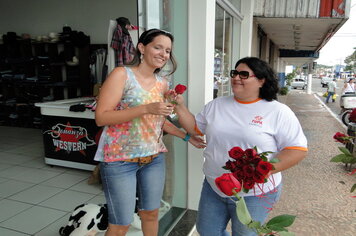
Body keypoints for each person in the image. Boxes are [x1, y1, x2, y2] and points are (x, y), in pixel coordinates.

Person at [174, 57, 308, 236]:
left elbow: (297, 149)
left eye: (244, 74)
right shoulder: (217, 105)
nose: (236, 77)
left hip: (254, 194)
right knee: (207, 231)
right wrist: (179, 106)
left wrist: (265, 170)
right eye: (234, 73)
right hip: (215, 186)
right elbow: (194, 129)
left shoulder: (278, 111)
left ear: (261, 80)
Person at [94, 28, 205, 236]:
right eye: (158, 47)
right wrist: (146, 108)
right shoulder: (122, 74)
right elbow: (101, 117)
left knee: (151, 214)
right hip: (120, 160)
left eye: (168, 51)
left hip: (153, 159)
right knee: (121, 224)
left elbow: (157, 122)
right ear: (142, 47)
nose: (164, 54)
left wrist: (188, 137)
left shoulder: (163, 84)